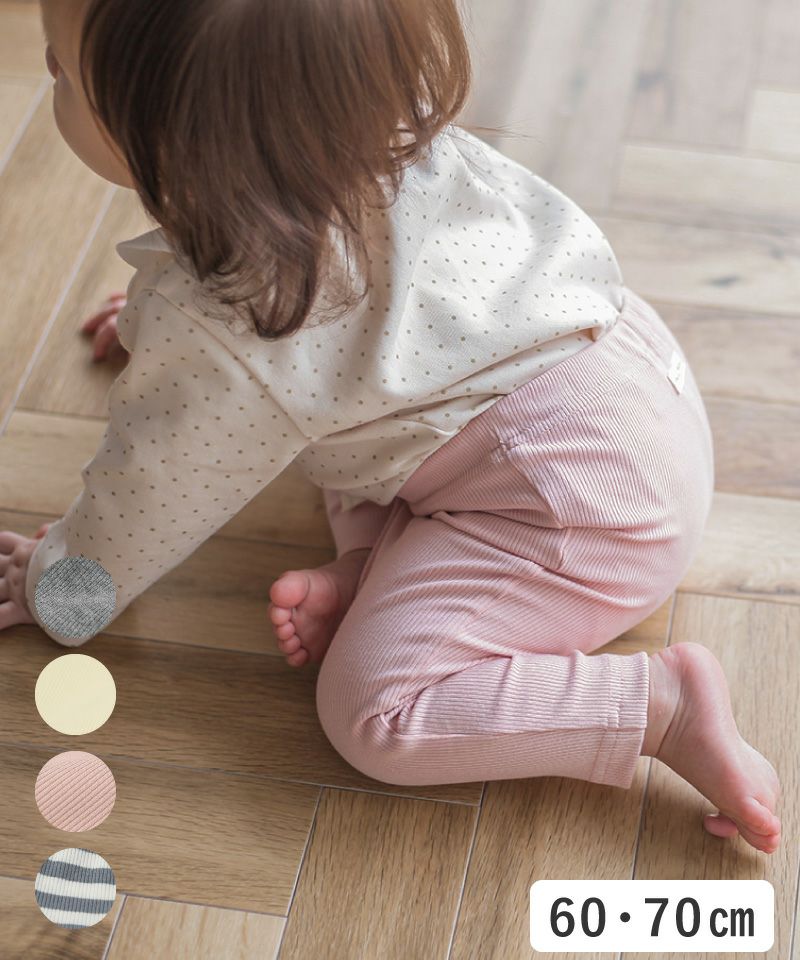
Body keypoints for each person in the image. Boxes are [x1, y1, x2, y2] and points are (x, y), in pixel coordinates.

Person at [0, 0, 780, 854]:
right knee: (326, 415)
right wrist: (173, 340)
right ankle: (379, 574)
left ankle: (656, 709)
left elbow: (144, 505)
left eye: (61, 71)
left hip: (585, 520)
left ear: (178, 144)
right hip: (632, 378)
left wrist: (59, 590)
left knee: (374, 713)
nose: (48, 70)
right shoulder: (373, 117)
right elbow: (316, 349)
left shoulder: (228, 336)